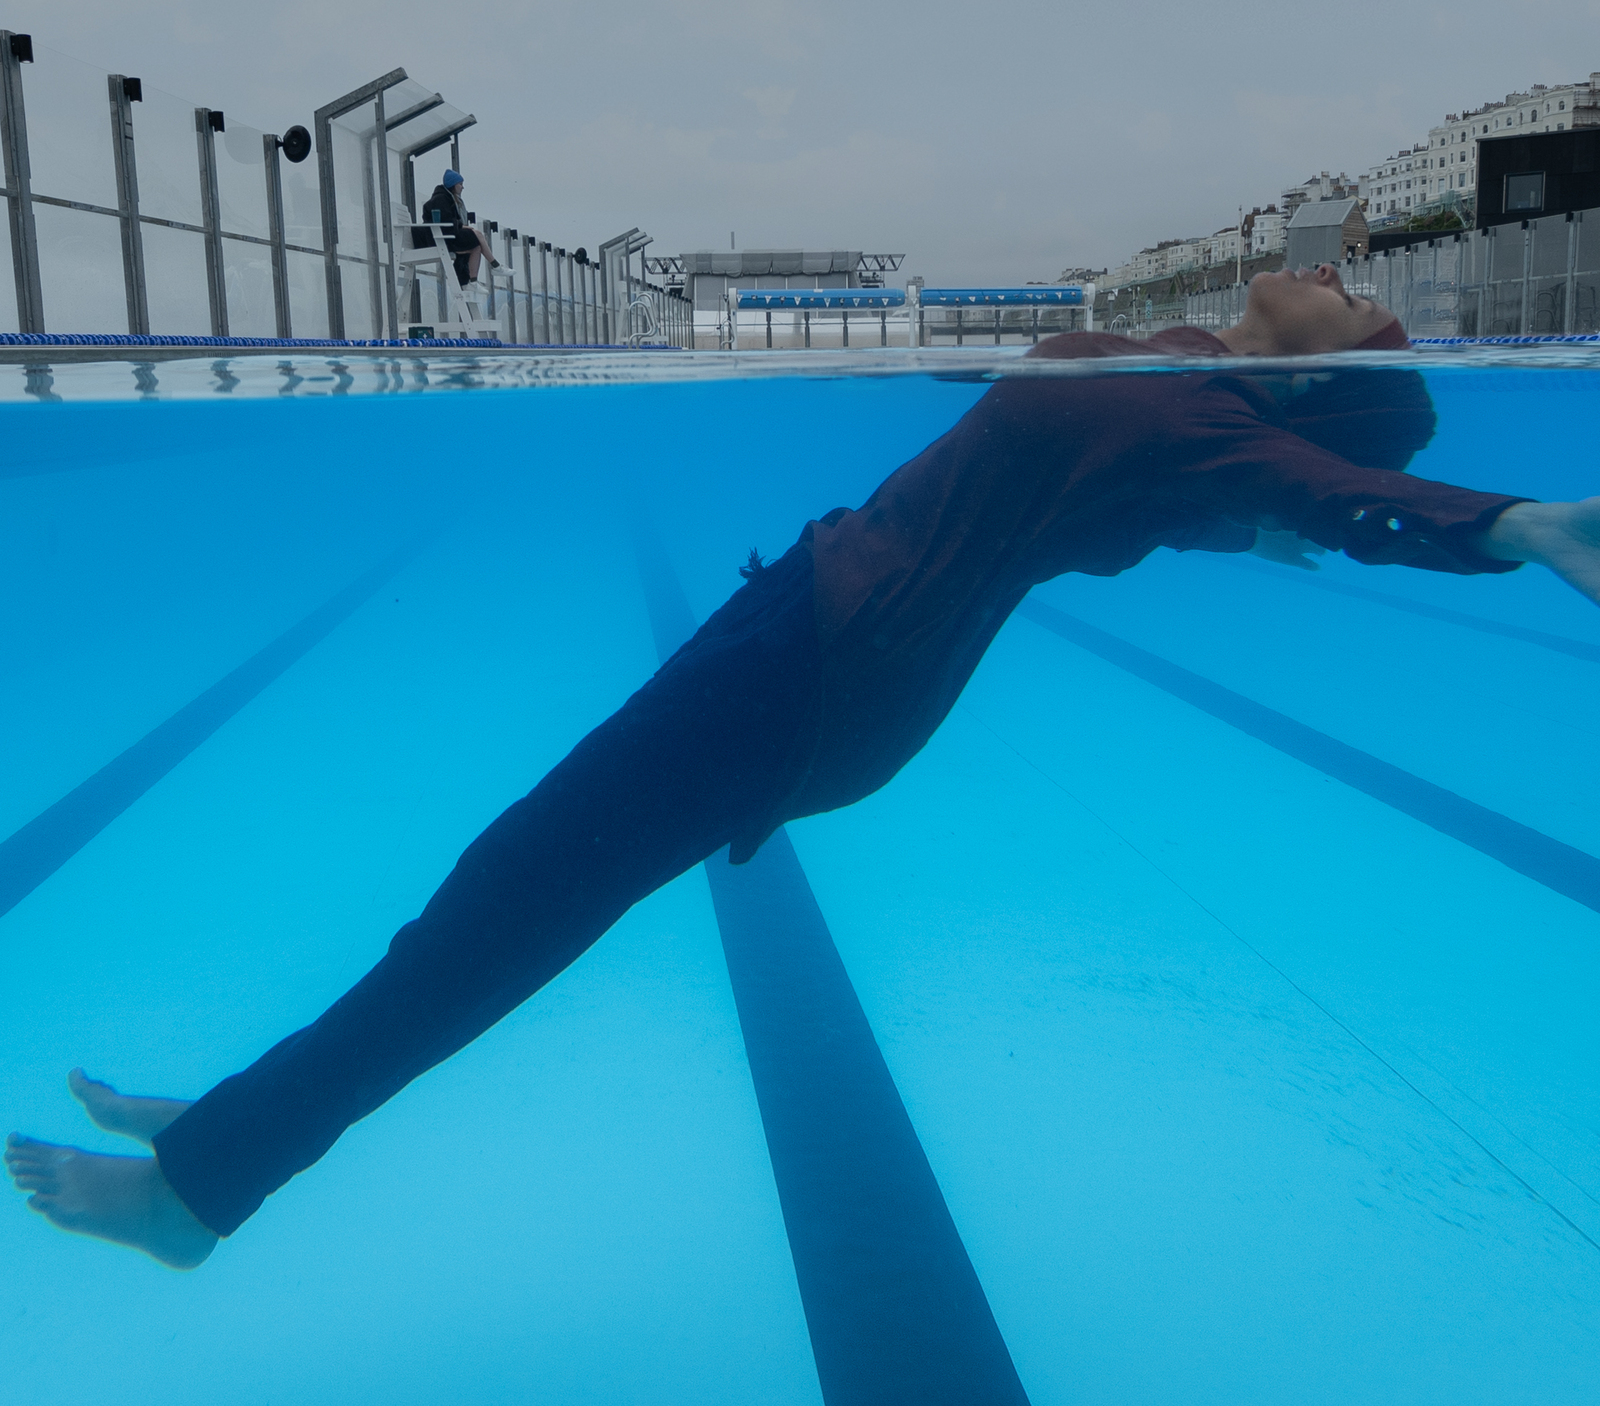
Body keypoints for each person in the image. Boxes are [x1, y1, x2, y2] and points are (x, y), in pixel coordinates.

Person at [11, 264, 1600, 1270]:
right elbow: (1208, 486)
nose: (1349, 273)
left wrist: (1513, 525)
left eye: (1370, 305)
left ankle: (198, 1194)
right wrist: (1237, 505)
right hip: (804, 637)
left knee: (498, 913)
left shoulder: (1207, 412)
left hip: (822, 672)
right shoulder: (1177, 373)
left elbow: (1329, 491)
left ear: (1322, 374)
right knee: (490, 897)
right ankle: (227, 1126)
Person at [419, 167, 496, 286]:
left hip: (445, 236)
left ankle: (473, 281)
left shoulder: (447, 198)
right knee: (477, 236)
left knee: (476, 245)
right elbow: (446, 221)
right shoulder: (441, 199)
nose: (462, 187)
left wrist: (462, 226)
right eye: (460, 184)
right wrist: (462, 226)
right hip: (442, 239)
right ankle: (494, 265)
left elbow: (449, 221)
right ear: (453, 185)